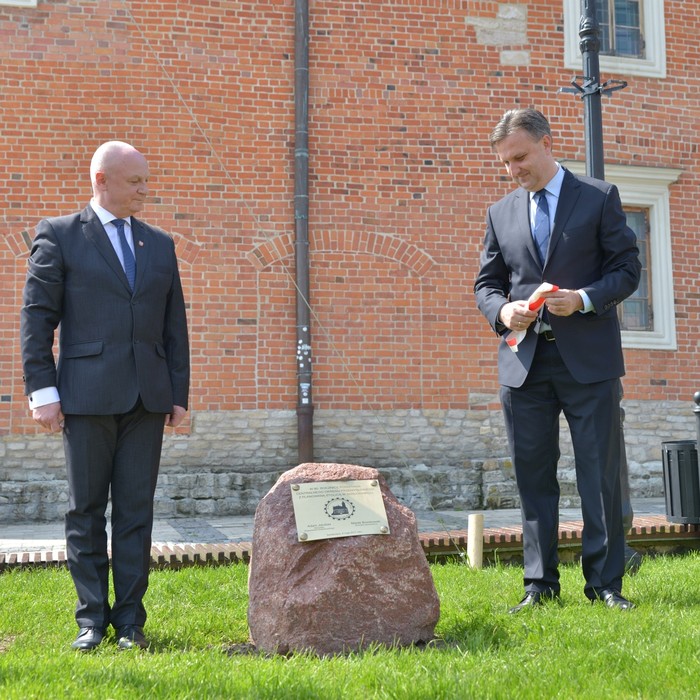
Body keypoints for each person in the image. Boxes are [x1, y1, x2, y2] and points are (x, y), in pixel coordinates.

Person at [20, 141, 190, 650]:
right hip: (85, 395)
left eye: (145, 179)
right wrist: (42, 391)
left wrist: (178, 395)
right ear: (101, 180)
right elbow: (36, 320)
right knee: (86, 511)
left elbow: (173, 326)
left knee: (137, 512)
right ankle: (91, 620)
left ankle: (131, 623)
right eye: (135, 180)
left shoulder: (159, 244)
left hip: (147, 398)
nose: (145, 188)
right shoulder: (60, 235)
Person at [474, 108, 641, 612]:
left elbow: (627, 268)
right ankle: (539, 586)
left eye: (520, 157)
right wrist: (505, 310)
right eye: (505, 163)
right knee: (532, 475)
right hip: (524, 365)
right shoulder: (500, 212)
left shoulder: (598, 197)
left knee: (599, 473)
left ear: (548, 142)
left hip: (588, 361)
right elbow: (486, 285)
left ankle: (605, 586)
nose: (513, 170)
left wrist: (585, 298)